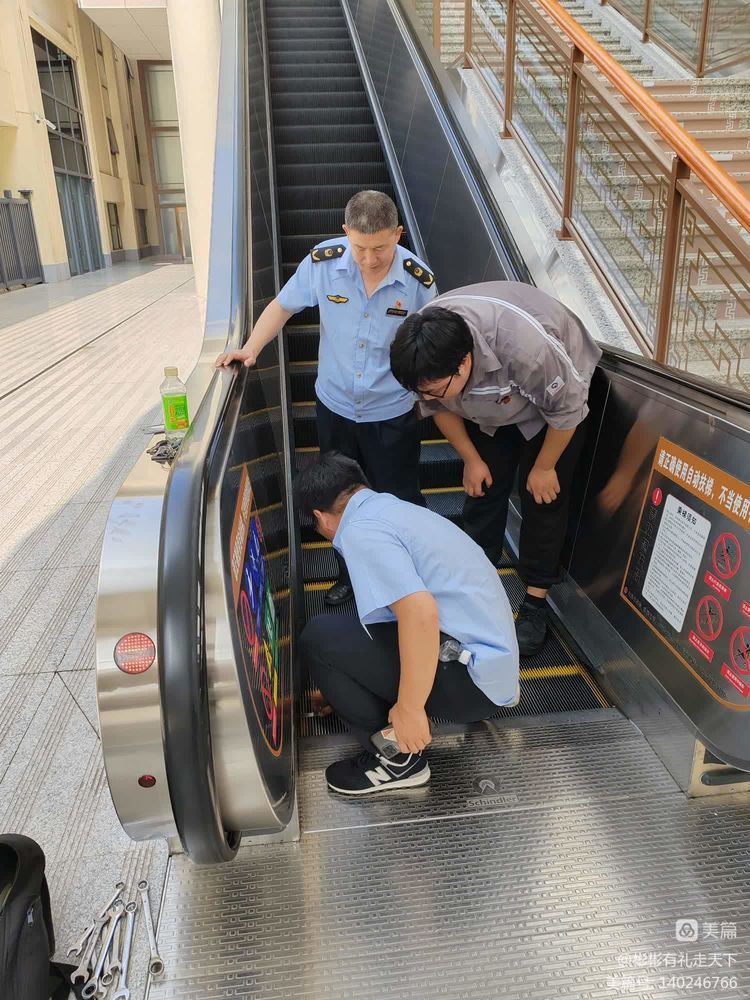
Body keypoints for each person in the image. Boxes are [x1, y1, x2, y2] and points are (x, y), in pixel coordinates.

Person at [216, 190, 437, 605]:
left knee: (399, 498)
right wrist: (250, 348)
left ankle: (405, 580)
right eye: (360, 248)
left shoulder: (417, 279)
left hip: (392, 412)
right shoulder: (323, 263)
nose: (369, 259)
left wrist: (429, 396)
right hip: (335, 408)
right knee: (339, 497)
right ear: (345, 232)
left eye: (380, 248)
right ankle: (349, 576)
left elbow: (432, 342)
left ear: (398, 234)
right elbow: (282, 306)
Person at [390, 281, 602, 657]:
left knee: (544, 499)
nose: (426, 397)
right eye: (420, 391)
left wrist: (544, 467)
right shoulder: (424, 355)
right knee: (483, 489)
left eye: (434, 389)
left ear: (463, 363)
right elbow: (437, 406)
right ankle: (475, 585)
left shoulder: (525, 347)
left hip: (555, 406)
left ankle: (535, 604)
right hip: (493, 407)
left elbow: (568, 410)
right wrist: (471, 459)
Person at [296, 452, 519, 796]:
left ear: (319, 517)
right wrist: (349, 683)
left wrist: (410, 709)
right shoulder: (393, 510)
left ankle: (398, 760)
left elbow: (419, 613)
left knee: (319, 637)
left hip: (472, 684)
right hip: (492, 671)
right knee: (353, 627)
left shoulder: (359, 531)